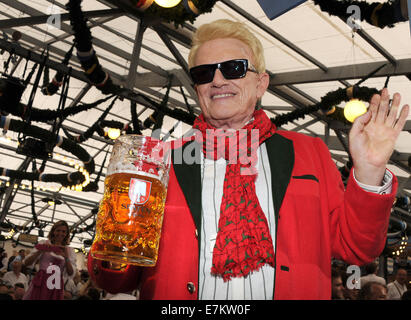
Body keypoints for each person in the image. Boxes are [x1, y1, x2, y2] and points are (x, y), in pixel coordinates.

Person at [89, 19, 409, 300]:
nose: (217, 80)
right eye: (203, 73)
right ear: (197, 87)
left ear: (261, 84)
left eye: (234, 68)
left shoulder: (310, 154)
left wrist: (368, 173)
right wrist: (117, 240)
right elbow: (115, 280)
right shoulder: (159, 161)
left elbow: (356, 248)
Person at [23, 220, 76, 300]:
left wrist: (66, 257)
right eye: (58, 230)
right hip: (42, 281)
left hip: (56, 284)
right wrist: (41, 250)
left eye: (63, 231)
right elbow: (26, 263)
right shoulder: (44, 243)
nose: (60, 233)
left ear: (66, 234)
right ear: (53, 231)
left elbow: (71, 273)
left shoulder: (69, 250)